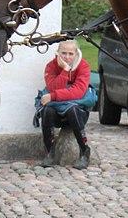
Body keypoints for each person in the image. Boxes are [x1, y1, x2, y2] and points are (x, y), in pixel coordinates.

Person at [39, 40, 92, 170]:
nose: (67, 57)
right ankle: (49, 152)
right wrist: (65, 70)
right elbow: (53, 87)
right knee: (47, 110)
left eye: (70, 54)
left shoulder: (83, 66)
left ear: (76, 54)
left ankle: (84, 151)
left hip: (77, 114)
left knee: (72, 109)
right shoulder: (51, 66)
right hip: (56, 113)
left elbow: (78, 92)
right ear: (58, 53)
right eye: (63, 53)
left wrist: (53, 96)